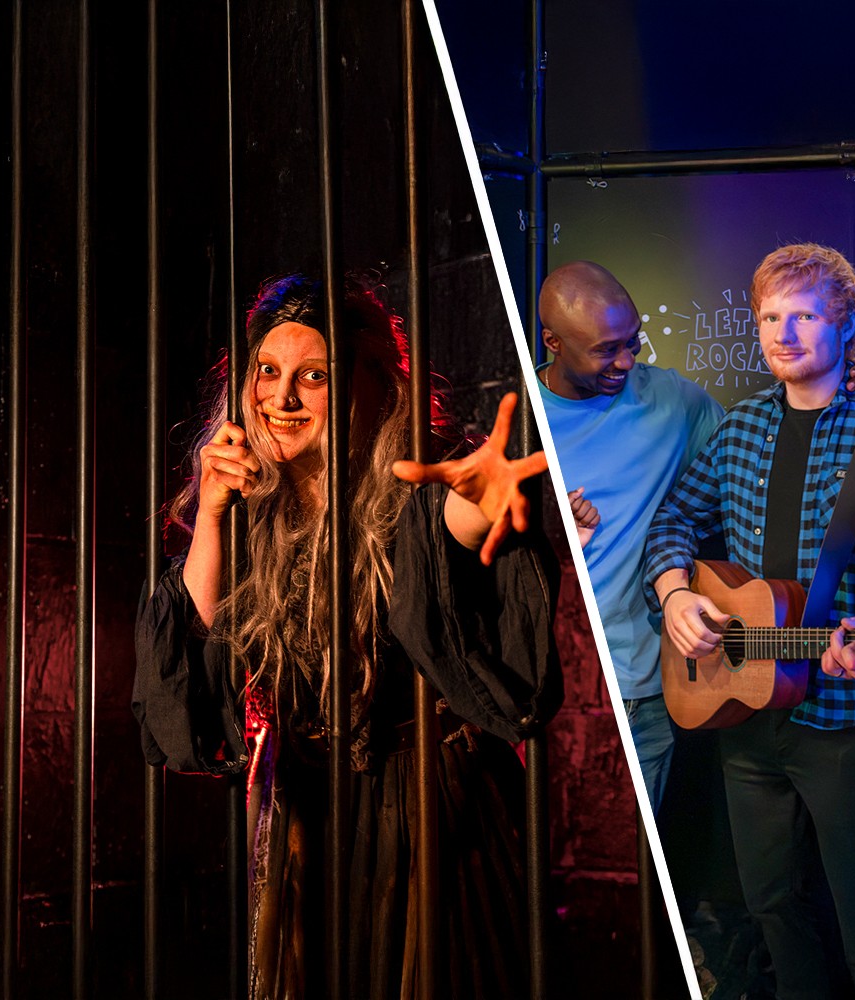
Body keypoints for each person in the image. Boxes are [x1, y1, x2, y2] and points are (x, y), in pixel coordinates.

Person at [132, 273, 557, 999]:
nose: (281, 397)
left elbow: (446, 536)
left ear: (367, 387)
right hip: (308, 811)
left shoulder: (404, 488)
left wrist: (481, 502)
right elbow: (193, 643)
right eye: (268, 373)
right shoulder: (252, 509)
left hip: (426, 805)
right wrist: (208, 516)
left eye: (313, 377)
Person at [646, 243, 855, 1000]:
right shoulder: (739, 427)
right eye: (770, 317)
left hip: (847, 721)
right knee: (773, 907)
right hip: (742, 711)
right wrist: (678, 594)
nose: (782, 333)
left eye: (804, 315)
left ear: (846, 325)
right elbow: (673, 521)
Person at [536, 260, 725, 812]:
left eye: (632, 342)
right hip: (547, 686)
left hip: (641, 689)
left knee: (632, 878)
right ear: (553, 342)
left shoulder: (674, 404)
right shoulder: (519, 410)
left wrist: (848, 393)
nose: (626, 360)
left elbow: (754, 455)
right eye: (604, 350)